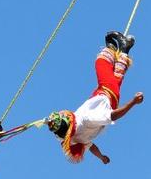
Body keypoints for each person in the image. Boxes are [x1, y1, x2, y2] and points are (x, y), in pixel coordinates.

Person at [47, 31, 144, 163]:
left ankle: (124, 50)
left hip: (108, 96)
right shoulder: (86, 119)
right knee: (101, 64)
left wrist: (101, 157)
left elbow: (91, 147)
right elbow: (112, 116)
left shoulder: (77, 138)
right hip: (107, 92)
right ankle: (114, 49)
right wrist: (133, 102)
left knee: (117, 75)